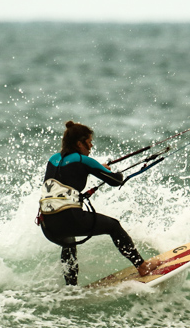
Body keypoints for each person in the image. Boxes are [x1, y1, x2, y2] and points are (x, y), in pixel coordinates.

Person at [37, 121, 160, 286]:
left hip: (48, 225)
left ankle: (71, 288)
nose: (91, 146)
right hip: (71, 218)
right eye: (89, 142)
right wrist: (105, 170)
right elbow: (116, 181)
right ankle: (142, 266)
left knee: (68, 243)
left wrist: (93, 168)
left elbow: (67, 176)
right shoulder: (83, 159)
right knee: (114, 226)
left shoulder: (53, 160)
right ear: (79, 143)